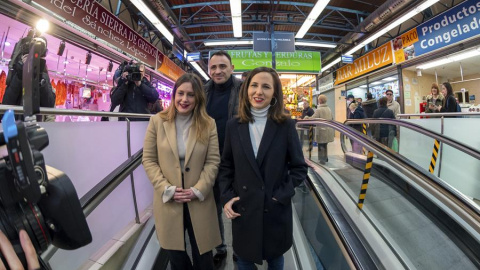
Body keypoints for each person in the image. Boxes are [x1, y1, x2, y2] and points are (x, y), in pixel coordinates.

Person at [218, 67, 308, 269]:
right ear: (246, 89)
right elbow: (226, 166)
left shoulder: (285, 125)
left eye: (266, 87)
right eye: (254, 85)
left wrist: (281, 195)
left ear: (275, 93)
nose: (259, 92)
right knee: (243, 260)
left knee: (275, 259)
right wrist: (226, 197)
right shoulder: (234, 125)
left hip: (274, 210)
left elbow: (299, 168)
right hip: (244, 208)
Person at [142, 73, 221, 270]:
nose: (184, 100)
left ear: (198, 98)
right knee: (176, 259)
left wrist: (199, 189)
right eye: (181, 93)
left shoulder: (208, 124)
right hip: (170, 200)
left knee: (204, 258)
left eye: (191, 95)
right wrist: (165, 188)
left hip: (198, 199)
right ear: (174, 95)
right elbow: (149, 160)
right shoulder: (158, 122)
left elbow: (212, 161)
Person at [204, 50, 243, 267]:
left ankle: (240, 247)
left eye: (222, 66)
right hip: (209, 159)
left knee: (239, 205)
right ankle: (220, 246)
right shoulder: (203, 90)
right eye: (213, 67)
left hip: (237, 160)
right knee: (213, 207)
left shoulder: (244, 90)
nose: (218, 71)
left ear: (232, 68)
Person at [2, 35, 55, 121]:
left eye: (40, 48)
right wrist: (21, 72)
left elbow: (49, 104)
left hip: (34, 125)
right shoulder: (17, 71)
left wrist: (39, 75)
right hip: (15, 125)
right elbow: (7, 101)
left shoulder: (44, 76)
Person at [305, 95, 334, 164]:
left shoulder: (319, 109)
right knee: (325, 145)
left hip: (321, 130)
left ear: (320, 101)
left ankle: (322, 160)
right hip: (328, 129)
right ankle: (325, 158)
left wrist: (306, 117)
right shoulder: (329, 109)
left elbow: (313, 118)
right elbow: (332, 118)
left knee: (321, 145)